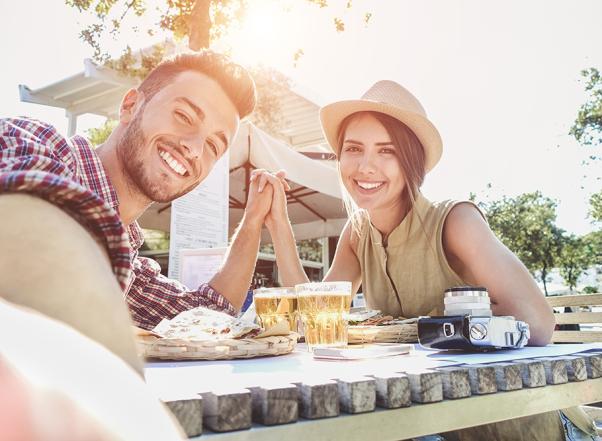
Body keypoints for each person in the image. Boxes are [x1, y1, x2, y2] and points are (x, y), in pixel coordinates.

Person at [256, 80, 573, 440]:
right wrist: (280, 226)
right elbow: (314, 319)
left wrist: (438, 332)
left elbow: (539, 323)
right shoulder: (357, 234)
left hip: (511, 426)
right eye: (354, 148)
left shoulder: (455, 222)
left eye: (386, 151)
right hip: (426, 425)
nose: (365, 166)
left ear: (411, 162)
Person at [0, 50, 274, 371]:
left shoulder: (128, 262)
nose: (195, 148)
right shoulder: (35, 143)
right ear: (130, 106)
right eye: (184, 116)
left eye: (213, 145)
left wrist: (253, 221)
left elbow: (208, 312)